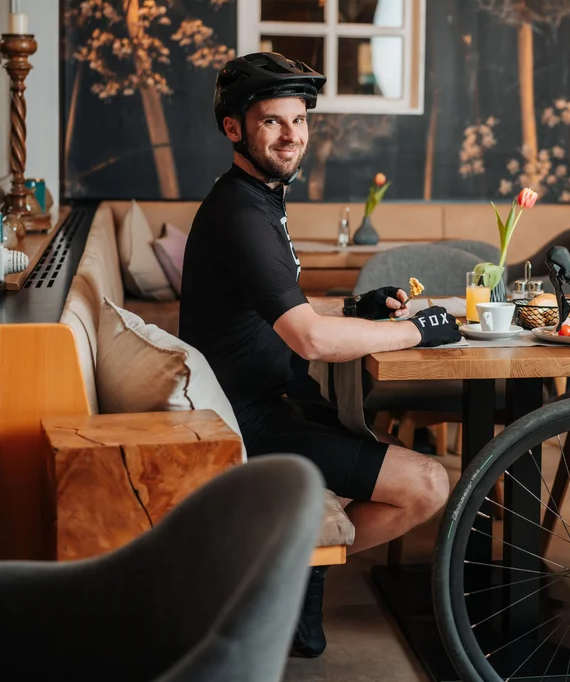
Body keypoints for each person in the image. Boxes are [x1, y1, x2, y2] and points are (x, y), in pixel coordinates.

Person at [179, 52, 461, 658]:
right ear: (233, 128)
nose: (292, 136)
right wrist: (421, 332)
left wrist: (358, 308)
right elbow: (311, 340)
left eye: (300, 120)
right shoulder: (241, 214)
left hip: (279, 401)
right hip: (249, 420)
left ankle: (299, 581)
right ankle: (289, 575)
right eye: (273, 122)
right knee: (429, 485)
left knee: (402, 469)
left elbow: (292, 315)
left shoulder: (257, 202)